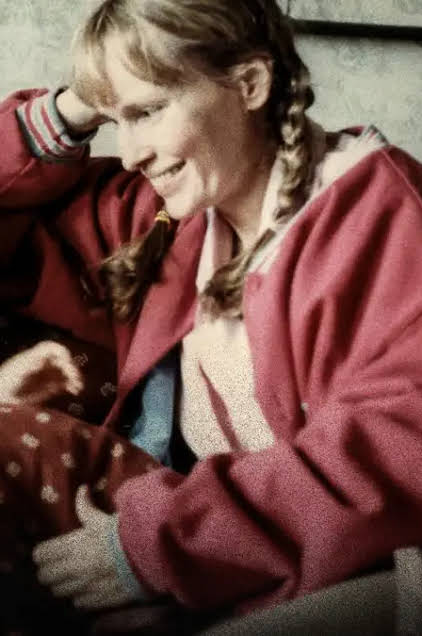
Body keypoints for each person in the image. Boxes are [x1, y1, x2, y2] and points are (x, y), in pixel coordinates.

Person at [2, 0, 422, 633]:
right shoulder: (173, 216)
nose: (131, 153)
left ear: (249, 84)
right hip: (194, 538)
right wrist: (76, 105)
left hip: (355, 571)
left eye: (147, 112)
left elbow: (393, 459)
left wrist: (165, 551)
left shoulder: (381, 215)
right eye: (116, 120)